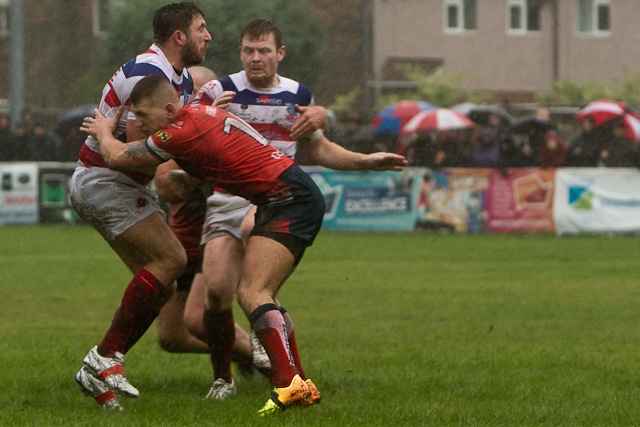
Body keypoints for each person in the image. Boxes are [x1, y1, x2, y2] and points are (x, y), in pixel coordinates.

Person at [80, 74, 405, 415]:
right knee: (252, 291)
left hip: (287, 198)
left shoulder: (178, 130)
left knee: (253, 292)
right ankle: (298, 384)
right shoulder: (195, 115)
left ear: (169, 109)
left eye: (143, 116)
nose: (140, 124)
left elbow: (117, 157)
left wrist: (103, 131)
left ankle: (287, 385)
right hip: (287, 194)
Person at [191, 19, 408, 403]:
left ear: (281, 53)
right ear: (240, 52)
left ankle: (269, 347)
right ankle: (223, 379)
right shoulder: (218, 90)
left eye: (264, 51)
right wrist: (207, 114)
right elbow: (186, 131)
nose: (255, 58)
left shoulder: (296, 95)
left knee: (252, 253)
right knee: (216, 294)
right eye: (248, 51)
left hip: (275, 198)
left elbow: (319, 150)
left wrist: (365, 161)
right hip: (224, 199)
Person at [69, 2, 211, 411]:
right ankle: (105, 358)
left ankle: (98, 375)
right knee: (171, 258)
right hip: (106, 179)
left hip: (116, 182)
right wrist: (198, 148)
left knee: (160, 285)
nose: (209, 36)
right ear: (179, 36)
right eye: (202, 28)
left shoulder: (173, 76)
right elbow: (135, 148)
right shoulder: (152, 75)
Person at [153, 65, 258, 373]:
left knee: (199, 319)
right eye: (190, 93)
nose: (197, 100)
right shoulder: (174, 129)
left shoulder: (232, 127)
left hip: (220, 235)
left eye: (204, 92)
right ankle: (247, 352)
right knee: (171, 337)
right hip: (182, 241)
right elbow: (165, 185)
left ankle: (276, 363)